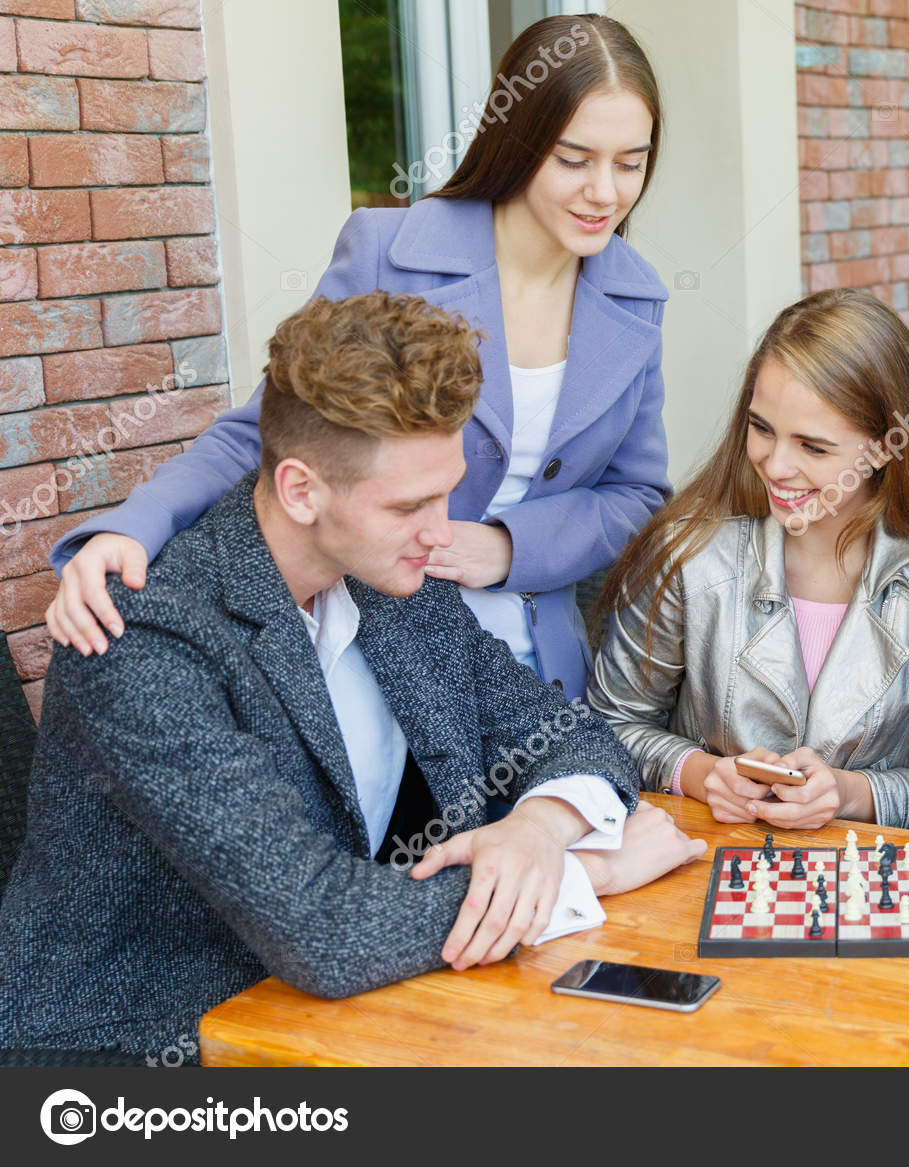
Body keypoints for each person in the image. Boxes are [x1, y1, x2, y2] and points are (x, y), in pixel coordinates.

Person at [0, 293, 704, 1063]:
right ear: (303, 489)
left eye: (447, 491)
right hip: (148, 1050)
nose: (443, 531)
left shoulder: (391, 569)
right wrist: (585, 871)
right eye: (410, 504)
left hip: (349, 1014)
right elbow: (323, 928)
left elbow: (566, 733)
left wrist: (539, 829)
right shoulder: (146, 636)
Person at [44, 14, 669, 699]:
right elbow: (273, 432)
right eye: (574, 160)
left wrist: (510, 547)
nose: (605, 192)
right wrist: (136, 525)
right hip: (381, 646)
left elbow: (637, 495)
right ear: (517, 141)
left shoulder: (635, 298)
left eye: (630, 163)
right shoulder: (387, 249)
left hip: (537, 656)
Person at [585, 289, 909, 834]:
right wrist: (702, 773)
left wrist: (850, 793)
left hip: (862, 888)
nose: (776, 464)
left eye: (813, 447)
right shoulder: (688, 554)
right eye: (761, 428)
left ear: (885, 447)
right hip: (697, 866)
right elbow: (607, 724)